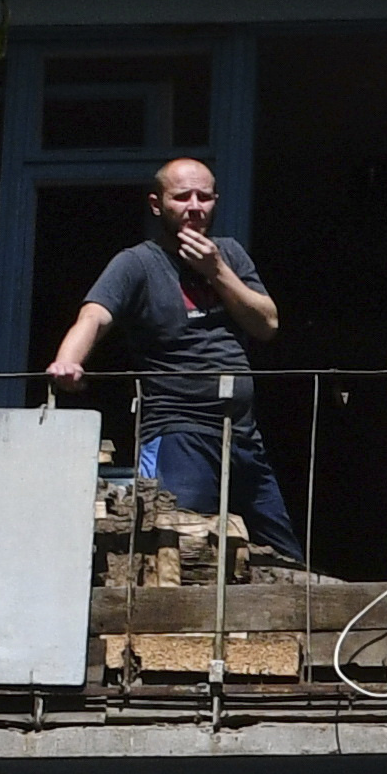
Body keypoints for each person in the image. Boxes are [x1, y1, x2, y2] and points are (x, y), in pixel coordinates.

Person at [45, 155, 303, 562]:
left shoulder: (230, 255)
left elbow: (267, 323)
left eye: (204, 196)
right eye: (182, 197)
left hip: (242, 435)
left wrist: (216, 270)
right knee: (179, 551)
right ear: (156, 204)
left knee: (283, 557)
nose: (194, 206)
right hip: (179, 431)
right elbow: (94, 315)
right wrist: (68, 360)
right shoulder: (137, 263)